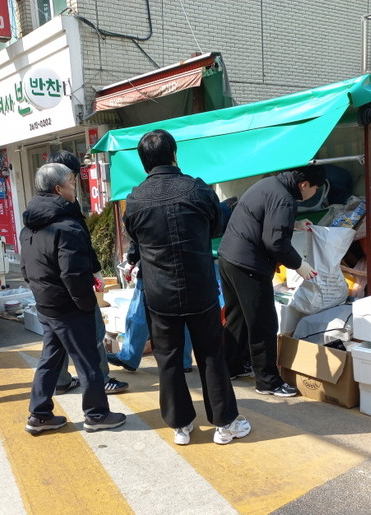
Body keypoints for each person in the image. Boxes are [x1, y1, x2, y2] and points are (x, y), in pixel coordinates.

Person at [123, 129, 250, 446]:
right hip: (199, 287)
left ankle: (181, 425)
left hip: (159, 292)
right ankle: (225, 423)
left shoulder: (135, 200)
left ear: (143, 162)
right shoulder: (198, 189)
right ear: (174, 155)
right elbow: (216, 227)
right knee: (210, 354)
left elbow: (137, 240)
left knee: (167, 358)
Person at [20, 163, 126, 435]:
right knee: (87, 360)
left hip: (46, 303)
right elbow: (72, 274)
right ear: (58, 189)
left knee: (51, 358)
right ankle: (97, 414)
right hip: (68, 306)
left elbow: (26, 269)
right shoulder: (67, 226)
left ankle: (39, 414)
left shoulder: (30, 225)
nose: (74, 186)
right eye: (71, 182)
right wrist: (85, 304)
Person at [217, 165, 326, 397]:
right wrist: (299, 264)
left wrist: (294, 225)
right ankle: (268, 382)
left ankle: (231, 366)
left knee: (237, 316)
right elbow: (275, 242)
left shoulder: (269, 184)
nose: (314, 193)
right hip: (249, 264)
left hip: (229, 258)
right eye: (315, 188)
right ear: (304, 184)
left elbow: (265, 221)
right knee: (263, 323)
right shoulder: (285, 199)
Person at [44, 150, 128, 395]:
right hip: (71, 281)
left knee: (57, 337)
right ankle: (101, 379)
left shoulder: (38, 209)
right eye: (71, 177)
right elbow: (79, 247)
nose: (74, 182)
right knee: (94, 330)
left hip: (48, 285)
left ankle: (60, 381)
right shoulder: (66, 209)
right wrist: (91, 274)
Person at [106, 243, 194, 373]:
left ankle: (129, 357)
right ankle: (183, 361)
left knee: (139, 314)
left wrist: (131, 260)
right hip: (185, 265)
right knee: (182, 315)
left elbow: (139, 236)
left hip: (154, 264)